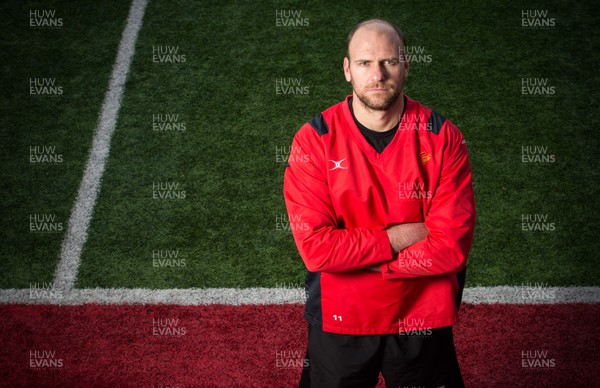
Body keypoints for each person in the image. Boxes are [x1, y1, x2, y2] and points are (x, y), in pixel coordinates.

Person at [283, 18, 476, 387]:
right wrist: (400, 237)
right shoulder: (315, 141)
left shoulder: (441, 137)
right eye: (364, 63)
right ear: (347, 70)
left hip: (421, 317)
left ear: (407, 66)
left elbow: (451, 247)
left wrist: (363, 266)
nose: (378, 74)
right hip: (342, 316)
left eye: (389, 61)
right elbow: (317, 250)